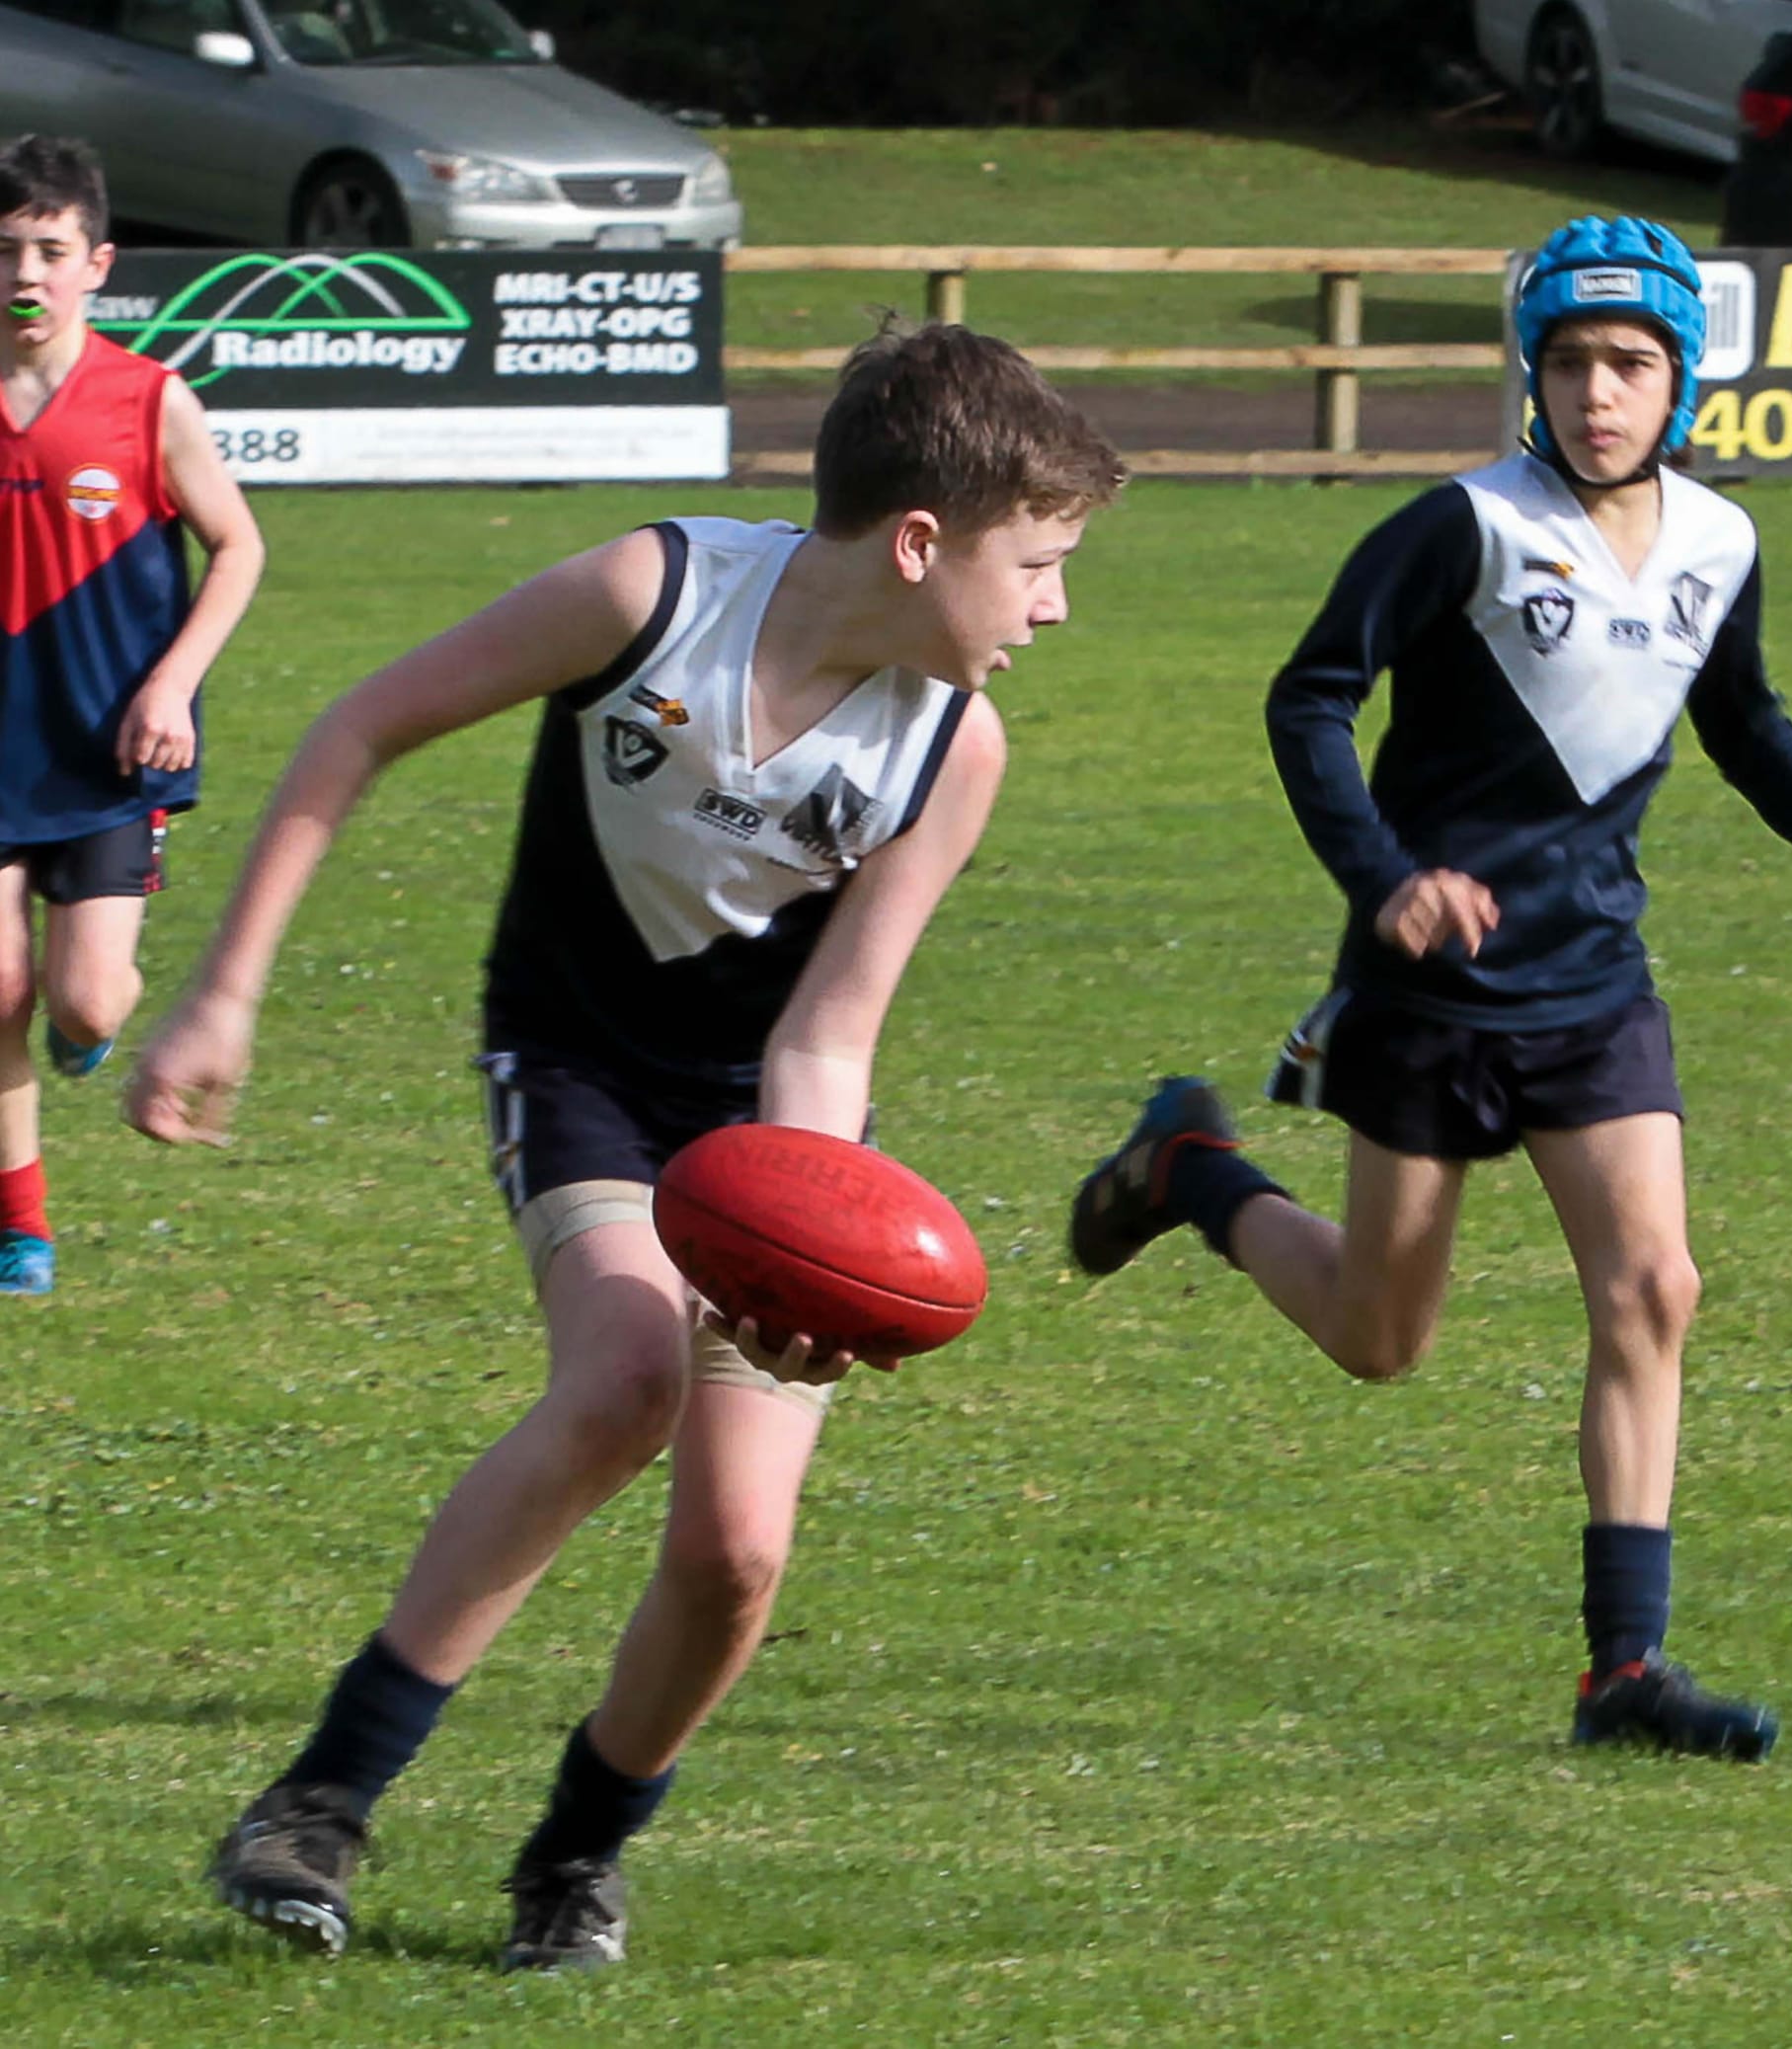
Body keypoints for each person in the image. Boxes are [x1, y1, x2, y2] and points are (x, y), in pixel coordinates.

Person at [125, 322, 1123, 1970]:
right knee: (617, 1385)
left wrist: (781, 1241)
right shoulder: (647, 597)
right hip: (582, 1065)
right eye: (1040, 564)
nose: (1054, 607)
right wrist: (223, 994)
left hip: (771, 1116)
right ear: (921, 541)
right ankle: (321, 1802)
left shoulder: (955, 747)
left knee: (737, 1553)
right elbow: (354, 730)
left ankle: (578, 1853)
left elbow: (831, 1029)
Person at [1069, 216, 1792, 1762]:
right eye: (1574, 361)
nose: (1601, 392)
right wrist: (1387, 876)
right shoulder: (1462, 525)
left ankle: (1624, 1673)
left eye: (1633, 363)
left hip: (1595, 981)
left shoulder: (1723, 542)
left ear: (1682, 380)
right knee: (1381, 1337)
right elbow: (1311, 695)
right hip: (1431, 992)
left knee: (1656, 1286)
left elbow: (1739, 714)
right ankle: (1191, 1161)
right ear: (1533, 371)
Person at [0, 133, 265, 1299]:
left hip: (109, 747)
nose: (25, 273)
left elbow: (240, 546)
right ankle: (22, 1224)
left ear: (96, 263)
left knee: (84, 997)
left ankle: (80, 1023)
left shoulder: (149, 399)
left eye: (50, 251)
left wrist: (171, 684)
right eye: (6, 250)